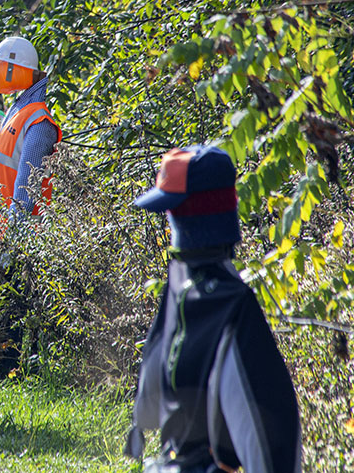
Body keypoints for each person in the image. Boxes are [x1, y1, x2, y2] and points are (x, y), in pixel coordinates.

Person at [126, 145, 302, 472]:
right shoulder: (227, 299)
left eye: (172, 212)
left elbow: (148, 409)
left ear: (190, 215)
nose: (168, 221)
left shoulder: (197, 292)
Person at [0, 36, 61, 239]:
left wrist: (12, 242)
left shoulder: (39, 123)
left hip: (21, 240)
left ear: (12, 69)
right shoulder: (19, 109)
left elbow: (26, 190)